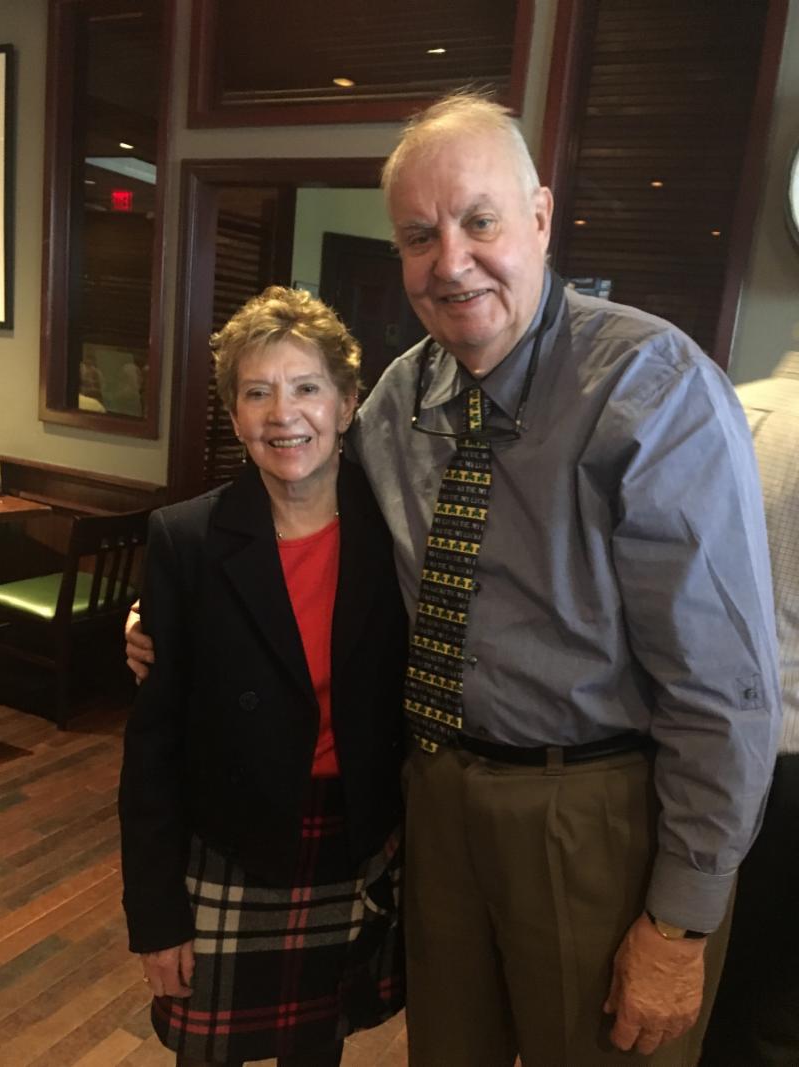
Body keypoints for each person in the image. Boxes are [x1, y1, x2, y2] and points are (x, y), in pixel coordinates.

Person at [127, 92, 782, 1065]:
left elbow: (723, 687)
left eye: (479, 221)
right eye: (419, 236)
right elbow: (299, 506)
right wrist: (172, 610)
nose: (451, 261)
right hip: (430, 799)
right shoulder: (398, 399)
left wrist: (680, 919)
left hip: (594, 809)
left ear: (540, 218)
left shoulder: (651, 389)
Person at [118, 287, 407, 1067]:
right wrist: (156, 916)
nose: (284, 415)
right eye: (257, 392)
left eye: (307, 387)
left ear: (347, 403)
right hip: (231, 842)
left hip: (350, 842)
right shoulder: (185, 538)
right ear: (235, 414)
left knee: (317, 1053)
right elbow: (152, 751)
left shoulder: (395, 531)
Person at [699, 352, 799, 1067]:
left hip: (694, 739)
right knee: (776, 995)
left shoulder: (720, 405)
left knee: (699, 967)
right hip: (792, 752)